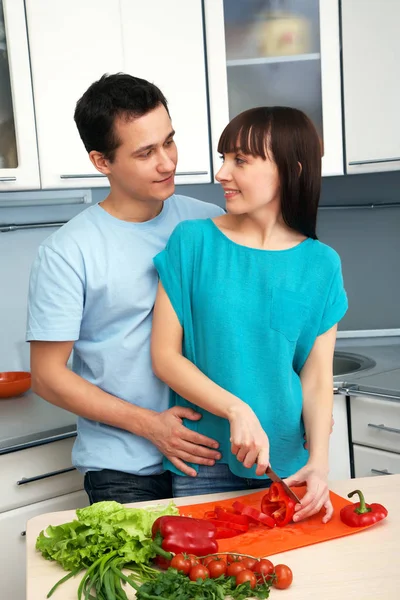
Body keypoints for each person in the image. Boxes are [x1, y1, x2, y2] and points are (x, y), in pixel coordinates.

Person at [26, 73, 225, 504]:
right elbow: (46, 376)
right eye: (146, 152)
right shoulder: (67, 251)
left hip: (212, 459)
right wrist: (151, 425)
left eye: (169, 141)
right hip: (124, 470)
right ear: (102, 161)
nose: (168, 162)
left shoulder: (209, 223)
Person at [151, 106, 348, 523]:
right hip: (204, 462)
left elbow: (316, 376)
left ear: (289, 170)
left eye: (240, 160)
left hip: (287, 467)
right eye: (224, 158)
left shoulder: (321, 264)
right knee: (210, 584)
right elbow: (166, 357)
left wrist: (320, 463)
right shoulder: (192, 242)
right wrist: (237, 410)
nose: (222, 173)